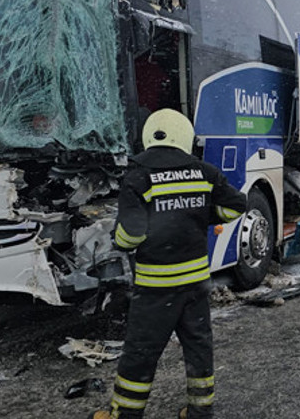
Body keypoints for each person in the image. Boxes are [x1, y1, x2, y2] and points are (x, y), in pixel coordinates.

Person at [90, 109, 247, 419]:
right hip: (196, 285)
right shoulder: (205, 172)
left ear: (150, 136)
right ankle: (201, 412)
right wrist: (201, 217)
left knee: (141, 352)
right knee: (198, 347)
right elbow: (236, 206)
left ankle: (124, 414)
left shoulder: (138, 177)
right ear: (184, 137)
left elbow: (131, 235)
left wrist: (118, 240)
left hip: (155, 289)